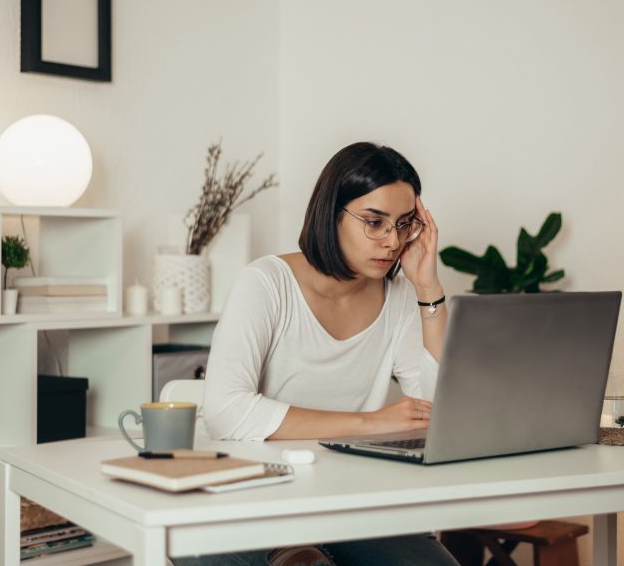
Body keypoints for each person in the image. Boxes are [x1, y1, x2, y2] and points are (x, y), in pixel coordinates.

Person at [175, 142, 458, 566]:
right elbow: (226, 411)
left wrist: (428, 290)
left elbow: (438, 410)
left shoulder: (399, 297)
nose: (392, 241)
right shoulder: (266, 283)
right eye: (374, 222)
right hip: (250, 494)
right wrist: (370, 423)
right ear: (331, 213)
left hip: (350, 499)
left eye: (403, 225)